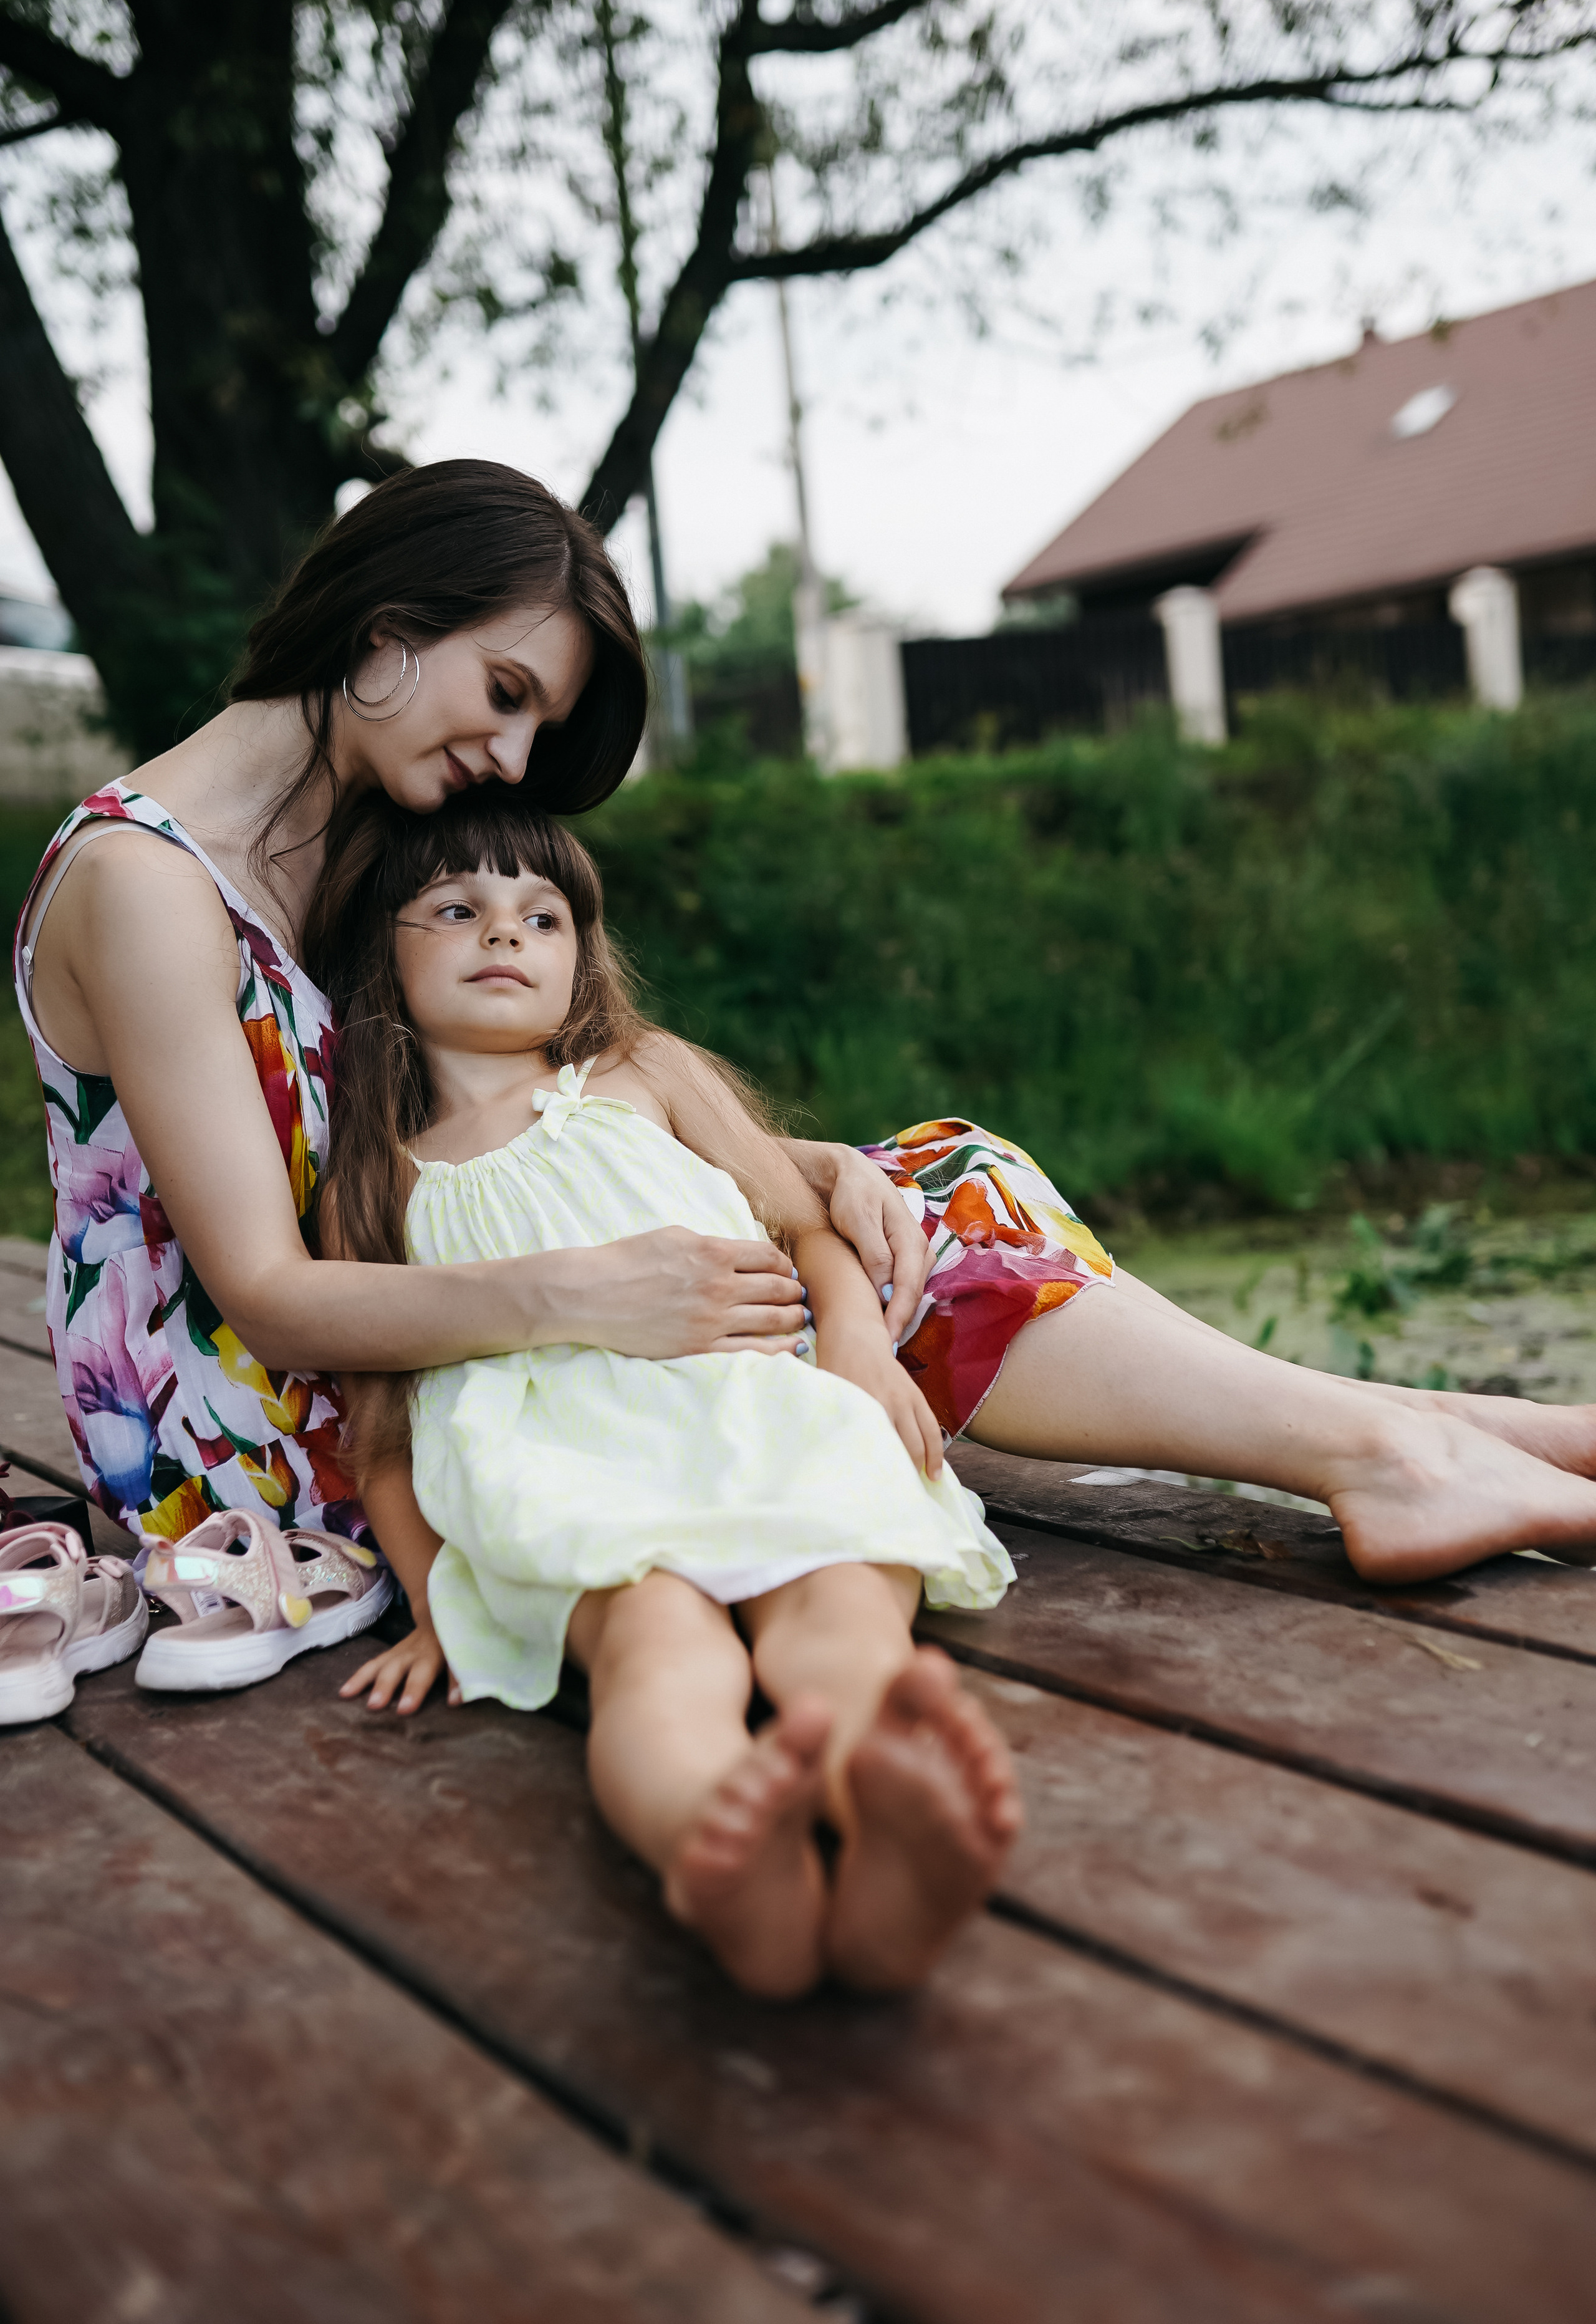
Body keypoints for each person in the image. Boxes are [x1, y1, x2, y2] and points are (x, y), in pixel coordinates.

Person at [15, 458, 1596, 1606]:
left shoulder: (354, 861)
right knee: (853, 1252)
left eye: (532, 725)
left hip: (453, 1336)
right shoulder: (148, 881)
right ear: (379, 628)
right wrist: (601, 1289)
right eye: (499, 692)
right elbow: (272, 1298)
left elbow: (536, 1129)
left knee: (918, 1182)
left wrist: (802, 1165)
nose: (505, 752)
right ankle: (1400, 1448)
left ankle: (1435, 1433)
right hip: (288, 1466)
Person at [314, 791, 1021, 1998]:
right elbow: (380, 1420)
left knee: (840, 1621)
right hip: (563, 1468)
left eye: (540, 916)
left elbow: (805, 1225)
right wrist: (438, 1604)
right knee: (655, 1658)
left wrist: (855, 1344)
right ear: (383, 945)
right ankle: (714, 1837)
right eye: (456, 908)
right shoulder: (374, 1176)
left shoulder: (644, 1074)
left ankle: (886, 1823)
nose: (503, 934)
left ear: (580, 954)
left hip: (762, 1414)